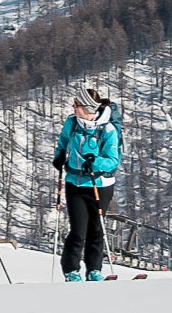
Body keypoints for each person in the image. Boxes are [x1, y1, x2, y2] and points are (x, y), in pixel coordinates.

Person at [52, 88, 121, 282]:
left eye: (77, 105)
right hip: (75, 183)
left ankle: (94, 270)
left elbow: (113, 160)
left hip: (100, 185)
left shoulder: (107, 130)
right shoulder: (72, 123)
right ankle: (71, 270)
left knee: (96, 229)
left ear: (88, 107)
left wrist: (96, 162)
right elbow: (63, 142)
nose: (74, 107)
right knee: (78, 229)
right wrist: (58, 156)